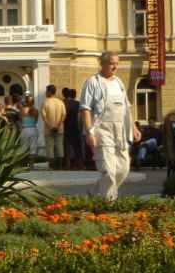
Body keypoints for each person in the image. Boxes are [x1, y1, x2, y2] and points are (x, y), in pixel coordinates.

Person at [80, 51, 141, 200]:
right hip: (102, 130)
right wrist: (89, 132)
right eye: (112, 63)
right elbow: (85, 109)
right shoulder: (93, 82)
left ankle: (94, 193)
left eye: (117, 63)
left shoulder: (119, 83)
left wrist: (133, 128)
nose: (115, 67)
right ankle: (107, 205)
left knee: (123, 168)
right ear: (102, 63)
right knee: (108, 170)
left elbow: (126, 108)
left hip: (120, 130)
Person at [41, 85, 66, 170]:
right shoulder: (60, 102)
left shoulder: (45, 103)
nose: (45, 92)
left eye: (46, 91)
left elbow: (44, 116)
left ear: (49, 92)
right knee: (60, 147)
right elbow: (64, 115)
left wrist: (50, 126)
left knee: (49, 147)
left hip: (49, 130)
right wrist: (58, 125)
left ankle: (51, 166)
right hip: (60, 129)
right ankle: (61, 166)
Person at [62, 88, 82, 170]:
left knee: (67, 147)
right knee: (77, 146)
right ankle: (80, 165)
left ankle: (68, 166)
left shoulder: (64, 103)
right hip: (75, 126)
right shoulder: (78, 104)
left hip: (66, 126)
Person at [19, 93, 39, 168]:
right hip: (33, 129)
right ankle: (31, 165)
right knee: (33, 147)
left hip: (25, 129)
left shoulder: (22, 110)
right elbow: (36, 121)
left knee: (23, 147)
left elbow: (20, 120)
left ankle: (23, 165)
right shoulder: (36, 111)